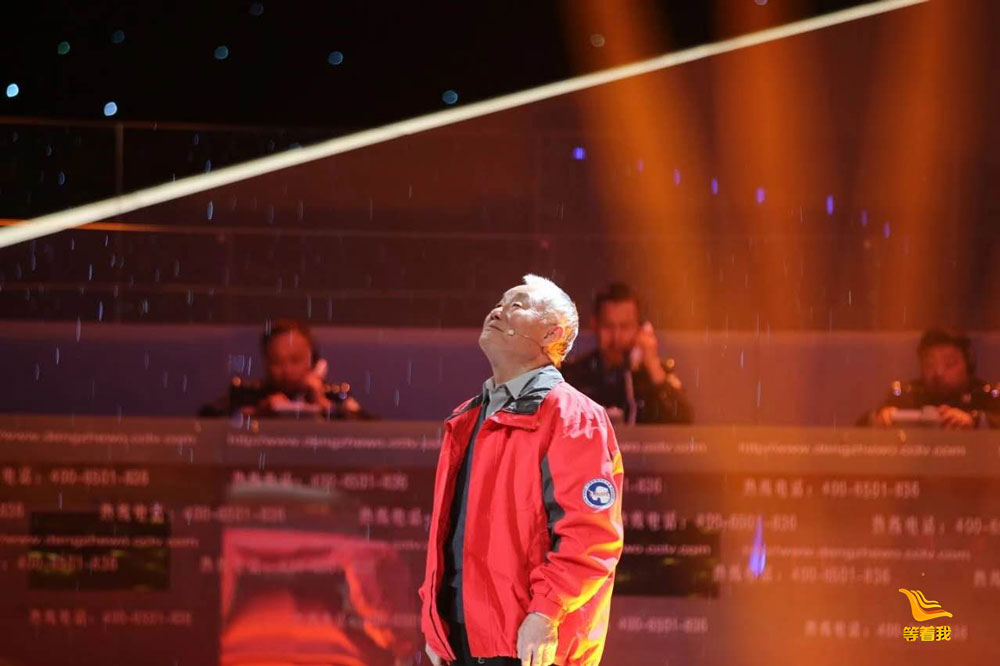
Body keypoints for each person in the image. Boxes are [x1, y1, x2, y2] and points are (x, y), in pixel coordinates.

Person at [418, 275, 624, 666]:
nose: (498, 311)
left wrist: (546, 613)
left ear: (552, 334)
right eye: (499, 302)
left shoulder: (573, 417)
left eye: (517, 305)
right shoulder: (467, 417)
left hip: (531, 646)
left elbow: (591, 536)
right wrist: (436, 624)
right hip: (461, 641)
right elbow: (451, 538)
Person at [561, 283, 692, 425]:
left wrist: (653, 367)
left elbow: (683, 423)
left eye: (625, 327)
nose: (616, 337)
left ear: (640, 328)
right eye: (608, 326)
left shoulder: (655, 375)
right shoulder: (573, 376)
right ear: (595, 325)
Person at [199, 319, 370, 420]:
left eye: (295, 360)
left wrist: (325, 406)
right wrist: (257, 414)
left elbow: (372, 431)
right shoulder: (247, 395)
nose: (286, 369)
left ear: (313, 361)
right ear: (265, 361)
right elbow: (205, 422)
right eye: (276, 361)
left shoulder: (335, 396)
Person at [859, 327, 1000, 429]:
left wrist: (976, 422)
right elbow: (858, 429)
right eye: (929, 364)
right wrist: (880, 418)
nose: (938, 372)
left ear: (968, 364)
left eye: (950, 364)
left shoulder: (985, 396)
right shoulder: (909, 395)